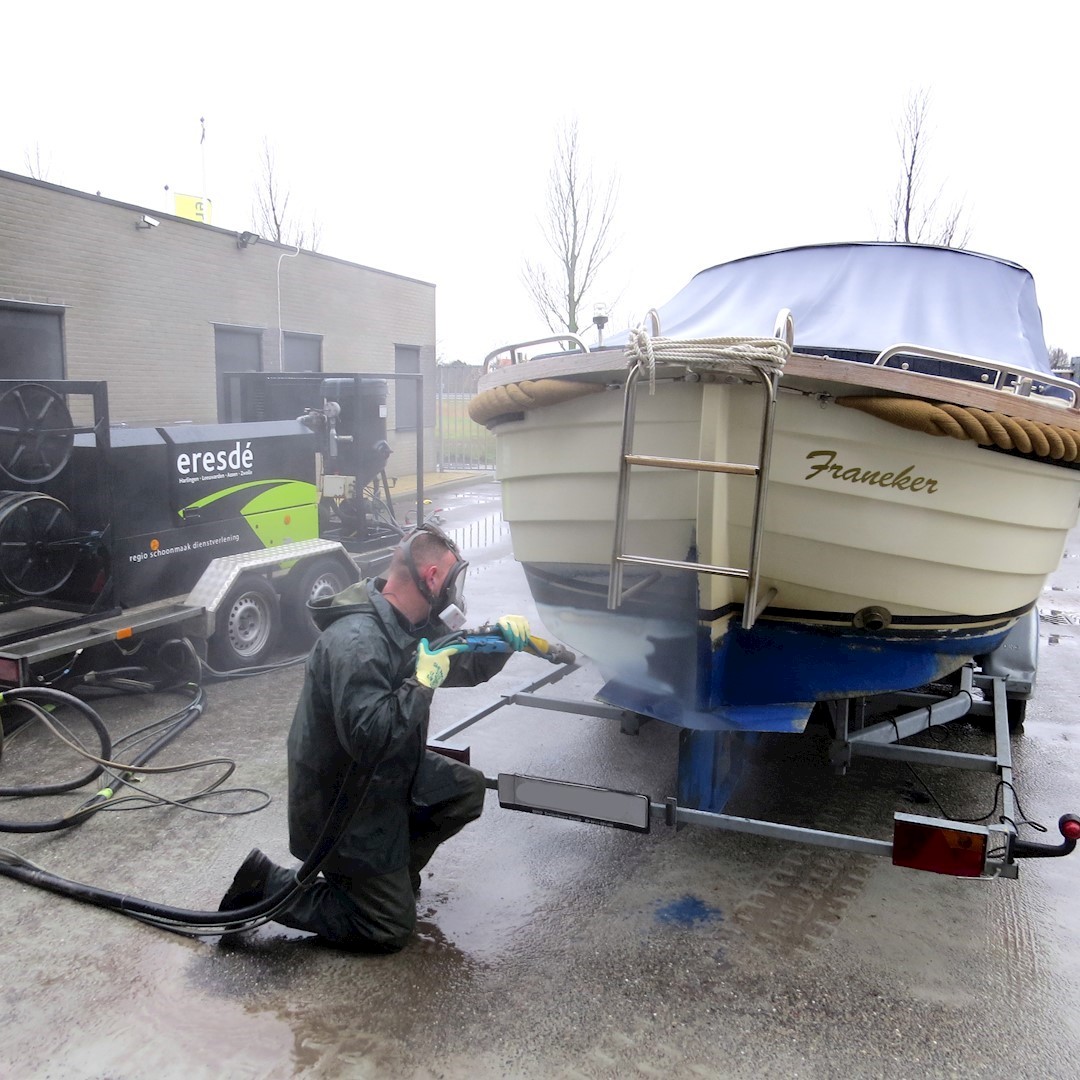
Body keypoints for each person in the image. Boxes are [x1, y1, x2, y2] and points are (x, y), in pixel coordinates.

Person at [218, 522, 531, 952]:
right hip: (342, 804)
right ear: (433, 578)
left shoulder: (408, 624)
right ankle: (267, 887)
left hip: (384, 776)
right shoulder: (356, 642)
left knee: (464, 789)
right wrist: (421, 685)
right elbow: (371, 739)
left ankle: (390, 878)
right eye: (453, 577)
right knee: (388, 929)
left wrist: (500, 642)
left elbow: (458, 663)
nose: (455, 591)